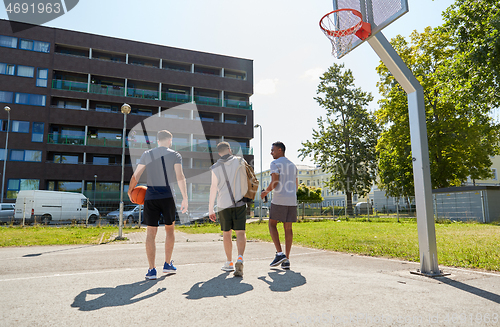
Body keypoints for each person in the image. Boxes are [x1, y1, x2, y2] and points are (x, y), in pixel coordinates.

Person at [128, 130, 188, 280]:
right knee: (169, 231)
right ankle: (167, 264)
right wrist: (185, 197)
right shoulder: (175, 155)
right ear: (170, 140)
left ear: (158, 140)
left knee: (150, 234)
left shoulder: (147, 154)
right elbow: (180, 177)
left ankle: (151, 270)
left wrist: (130, 191)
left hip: (151, 197)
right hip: (168, 197)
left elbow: (137, 175)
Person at [208, 142, 248, 277]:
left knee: (227, 233)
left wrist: (210, 209)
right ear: (230, 150)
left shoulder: (215, 167)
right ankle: (240, 258)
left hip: (223, 203)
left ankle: (229, 262)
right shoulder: (240, 161)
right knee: (240, 232)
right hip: (240, 202)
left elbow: (213, 188)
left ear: (219, 153)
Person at [260, 141, 298, 270]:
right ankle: (286, 259)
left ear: (280, 150)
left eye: (273, 150)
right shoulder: (293, 165)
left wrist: (265, 191)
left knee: (272, 224)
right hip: (292, 200)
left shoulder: (275, 163)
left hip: (279, 199)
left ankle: (280, 253)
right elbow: (296, 184)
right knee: (288, 228)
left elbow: (275, 181)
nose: (271, 152)